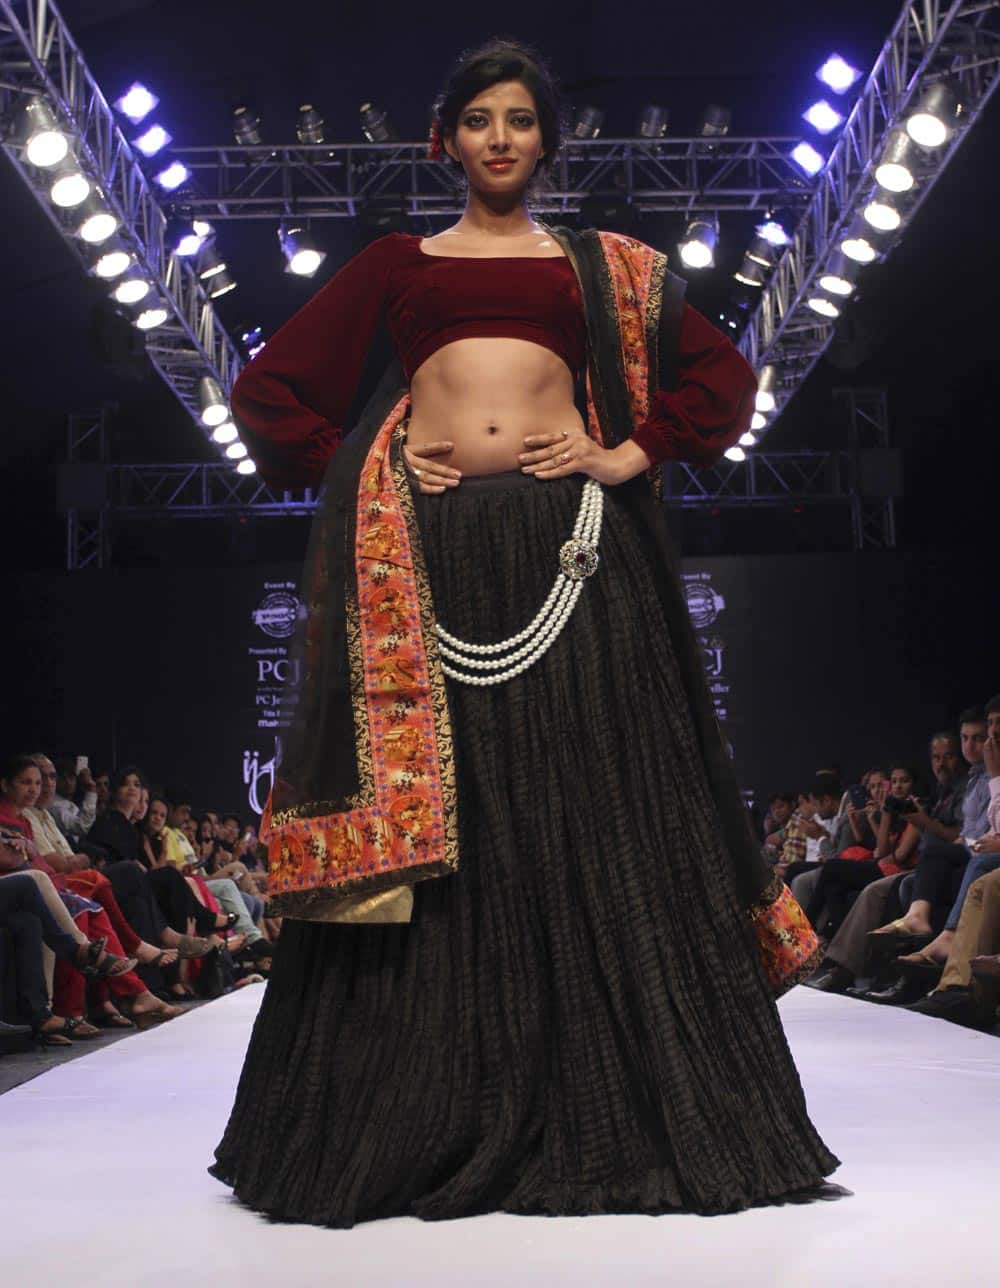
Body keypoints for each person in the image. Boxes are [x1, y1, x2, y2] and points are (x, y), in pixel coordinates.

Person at [208, 39, 841, 1226]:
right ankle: (423, 1100)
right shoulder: (397, 263)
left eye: (518, 120)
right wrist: (365, 465)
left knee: (593, 808)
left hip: (574, 548)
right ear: (444, 141)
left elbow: (721, 380)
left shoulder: (601, 267)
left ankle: (616, 1097)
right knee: (465, 825)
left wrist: (629, 450)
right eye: (477, 120)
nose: (499, 138)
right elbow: (270, 391)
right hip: (436, 556)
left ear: (546, 142)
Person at [804, 730, 965, 995]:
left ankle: (839, 959)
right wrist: (884, 814)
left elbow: (898, 855)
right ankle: (829, 955)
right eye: (936, 757)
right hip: (911, 866)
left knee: (868, 886)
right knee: (820, 878)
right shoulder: (932, 798)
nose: (941, 763)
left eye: (948, 756)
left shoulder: (923, 804)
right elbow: (883, 850)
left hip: (913, 867)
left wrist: (912, 819)